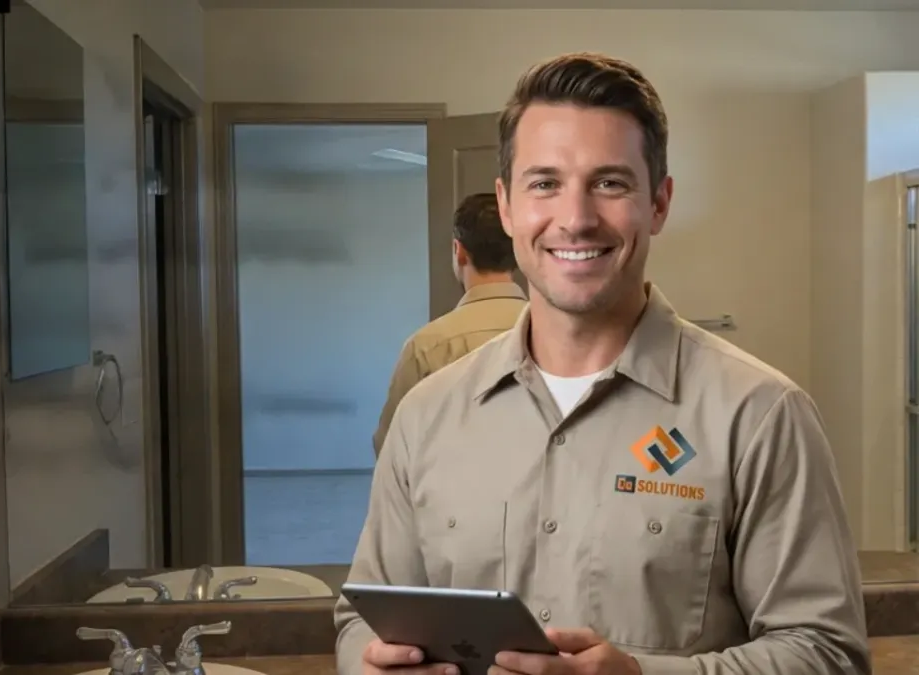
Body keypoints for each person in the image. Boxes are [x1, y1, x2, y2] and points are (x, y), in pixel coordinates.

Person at [334, 52, 870, 675]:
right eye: (545, 184)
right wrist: (367, 664)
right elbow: (359, 621)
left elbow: (827, 655)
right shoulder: (427, 415)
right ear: (507, 206)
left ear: (659, 203)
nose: (577, 218)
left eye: (610, 183)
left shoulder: (759, 416)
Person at [372, 192, 528, 457]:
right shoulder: (565, 337)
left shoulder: (426, 348)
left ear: (459, 251)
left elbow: (390, 448)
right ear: (517, 249)